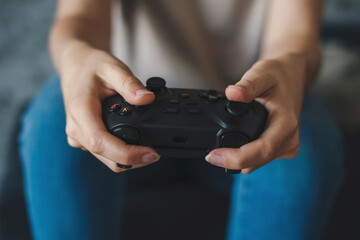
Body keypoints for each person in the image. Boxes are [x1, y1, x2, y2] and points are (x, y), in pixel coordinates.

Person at [19, 0, 344, 239]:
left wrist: (292, 66)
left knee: (305, 139)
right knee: (53, 118)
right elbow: (79, 17)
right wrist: (76, 54)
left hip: (248, 119)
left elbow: (296, 38)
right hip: (122, 109)